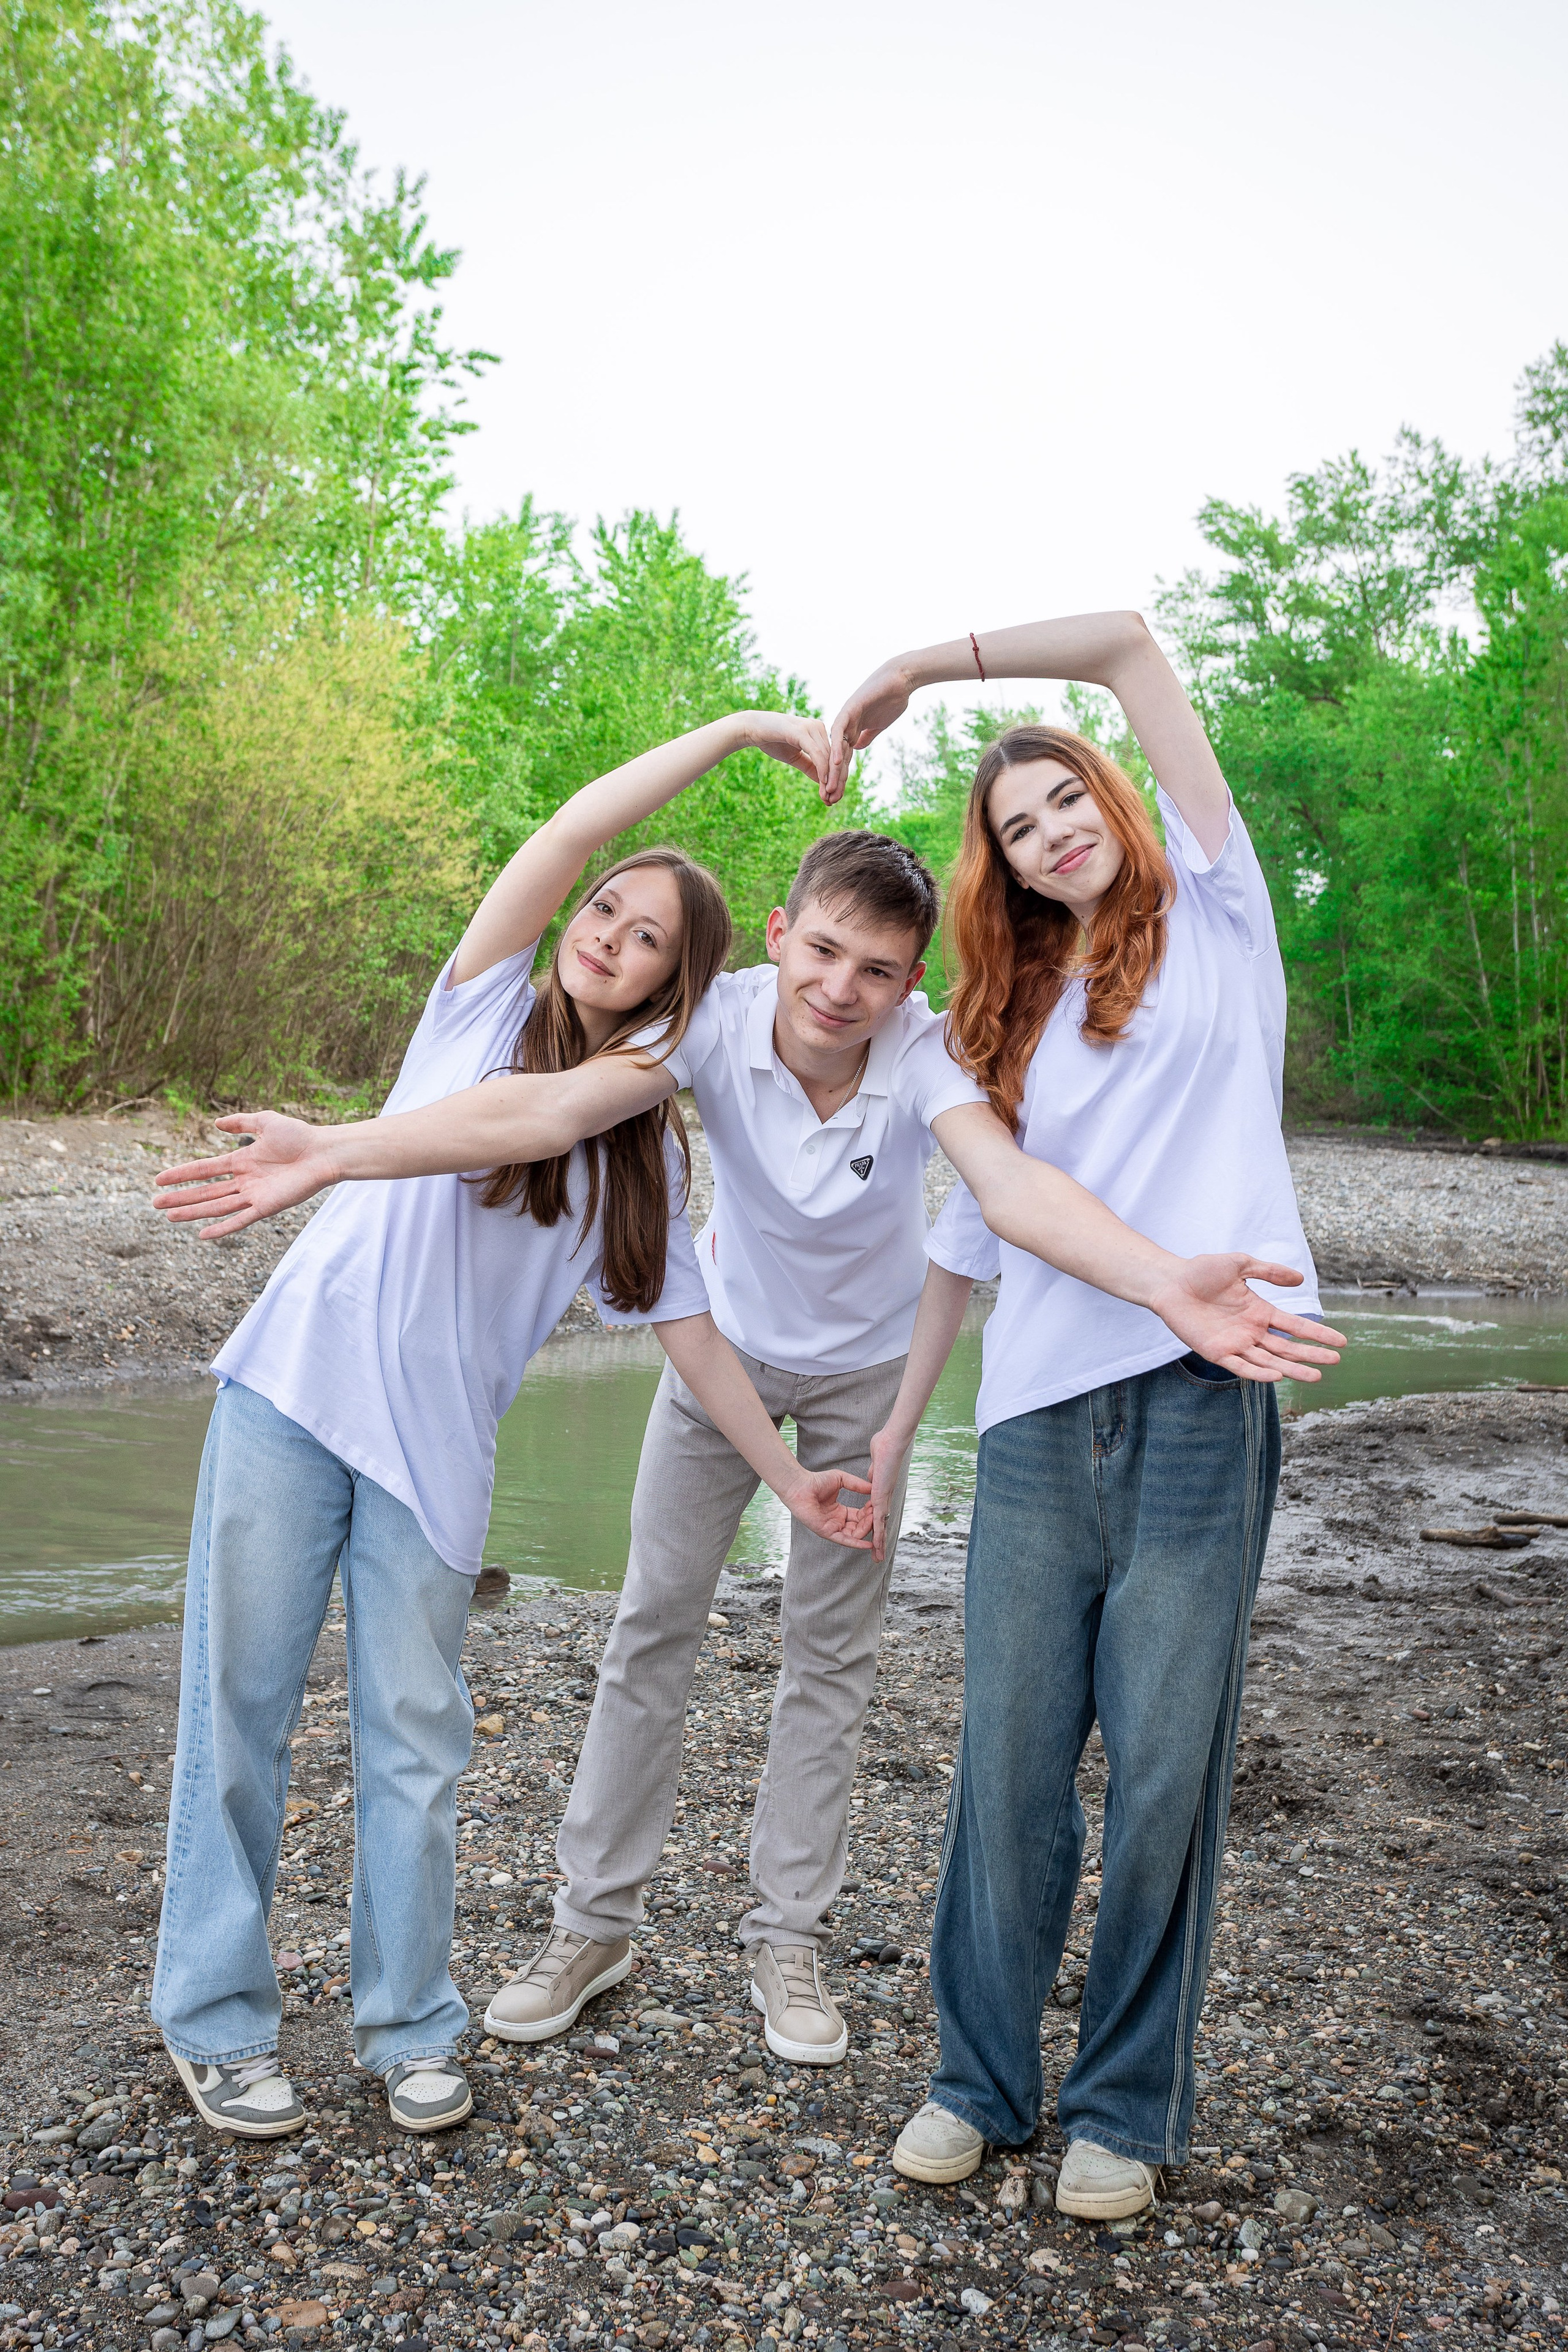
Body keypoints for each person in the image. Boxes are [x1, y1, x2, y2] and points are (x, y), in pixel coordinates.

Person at [159, 802, 1335, 2079]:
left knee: (829, 1662)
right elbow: (547, 1113)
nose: (840, 989)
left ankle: (788, 1940)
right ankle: (589, 1929)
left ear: (910, 984)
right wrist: (334, 1152)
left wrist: (1128, 1302)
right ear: (779, 936)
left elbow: (997, 1198)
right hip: (721, 1351)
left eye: (876, 970)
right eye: (821, 951)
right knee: (647, 1629)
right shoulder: (714, 1021)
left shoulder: (927, 1054)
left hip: (867, 1377)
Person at [149, 710, 887, 2141]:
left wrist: (791, 1481)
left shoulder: (631, 1151)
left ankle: (408, 2026)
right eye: (606, 910)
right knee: (235, 1719)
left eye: (648, 937)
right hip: (290, 1398)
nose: (609, 935)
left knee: (413, 1746)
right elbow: (568, 829)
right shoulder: (478, 1006)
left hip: (432, 1463)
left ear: (677, 981)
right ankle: (217, 2021)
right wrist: (736, 733)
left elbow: (692, 1335)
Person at [824, 611, 1345, 2214]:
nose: (1050, 832)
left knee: (1168, 1772)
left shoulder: (1224, 916)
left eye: (1064, 798)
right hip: (1041, 1419)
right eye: (1014, 826)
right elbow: (977, 1236)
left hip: (1206, 1401)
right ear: (997, 867)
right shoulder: (987, 1023)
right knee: (1009, 1762)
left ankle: (1122, 2106)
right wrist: (901, 1427)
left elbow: (1125, 643)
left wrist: (924, 669)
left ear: (1111, 800)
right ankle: (976, 2081)